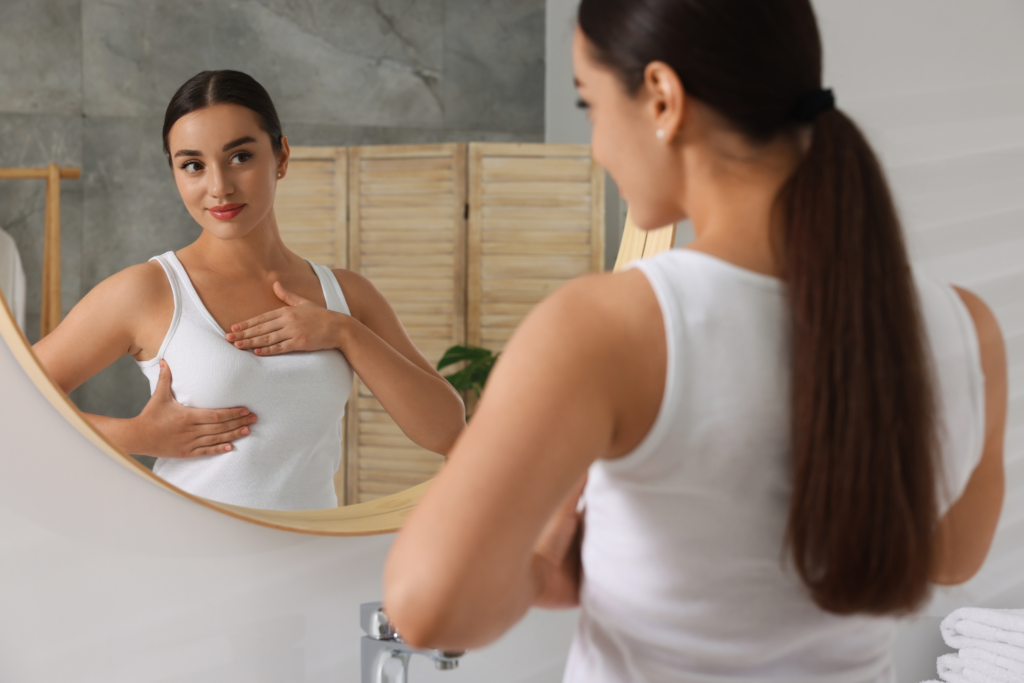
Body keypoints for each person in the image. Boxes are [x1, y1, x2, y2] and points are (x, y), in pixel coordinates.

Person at [383, 1, 1008, 680]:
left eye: (588, 104)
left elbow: (427, 610)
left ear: (661, 97)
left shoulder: (610, 327)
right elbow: (952, 555)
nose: (594, 144)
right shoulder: (966, 328)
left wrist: (542, 562)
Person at [33, 70, 465, 511]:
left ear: (281, 156)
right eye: (193, 165)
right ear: (175, 174)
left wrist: (343, 333)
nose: (219, 187)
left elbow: (447, 431)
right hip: (190, 563)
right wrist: (134, 436)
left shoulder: (346, 295)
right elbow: (14, 405)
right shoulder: (149, 291)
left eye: (240, 156)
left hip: (312, 561)